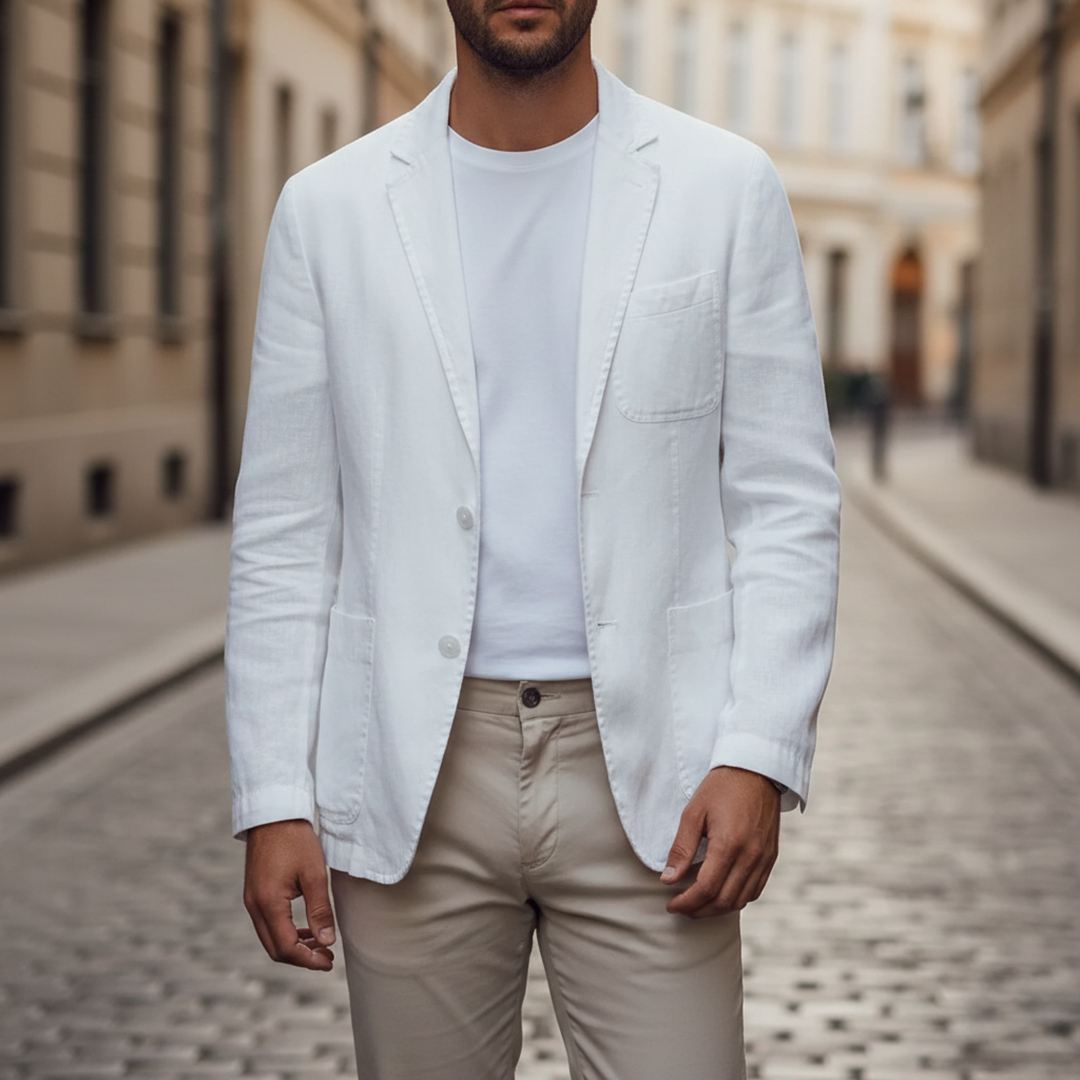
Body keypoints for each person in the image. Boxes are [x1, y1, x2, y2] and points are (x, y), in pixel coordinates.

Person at [225, 2, 841, 1077]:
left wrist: (758, 750)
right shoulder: (328, 211)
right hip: (414, 773)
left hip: (656, 779)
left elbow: (788, 500)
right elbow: (284, 530)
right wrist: (273, 794)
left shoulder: (722, 189)